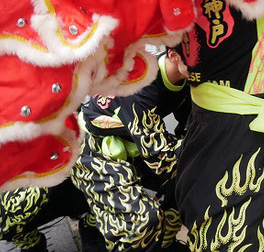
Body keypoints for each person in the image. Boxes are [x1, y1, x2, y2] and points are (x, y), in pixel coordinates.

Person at [70, 47, 192, 252]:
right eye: (200, 56)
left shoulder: (188, 80)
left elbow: (187, 129)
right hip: (93, 151)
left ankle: (165, 242)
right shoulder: (140, 83)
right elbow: (163, 160)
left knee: (184, 185)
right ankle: (92, 228)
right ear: (174, 55)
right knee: (142, 223)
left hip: (135, 143)